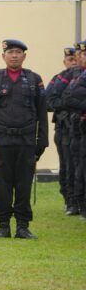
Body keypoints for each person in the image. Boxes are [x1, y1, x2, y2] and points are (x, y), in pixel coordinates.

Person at [0, 39, 48, 239]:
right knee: (2, 186)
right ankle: (3, 226)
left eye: (18, 52)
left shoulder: (35, 80)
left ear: (24, 56)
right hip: (2, 142)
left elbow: (42, 114)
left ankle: (22, 226)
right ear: (3, 56)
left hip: (26, 142)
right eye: (10, 52)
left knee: (23, 185)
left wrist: (41, 142)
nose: (14, 55)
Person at [45, 46, 78, 214]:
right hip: (64, 128)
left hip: (79, 127)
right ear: (64, 62)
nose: (73, 63)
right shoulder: (59, 79)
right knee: (67, 165)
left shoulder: (81, 77)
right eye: (70, 60)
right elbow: (47, 101)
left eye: (75, 59)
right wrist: (65, 107)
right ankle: (70, 200)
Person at [59, 42, 86, 221]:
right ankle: (75, 203)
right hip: (72, 128)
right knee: (74, 167)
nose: (77, 59)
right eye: (78, 55)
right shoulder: (70, 76)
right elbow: (63, 98)